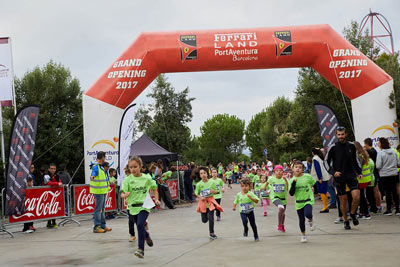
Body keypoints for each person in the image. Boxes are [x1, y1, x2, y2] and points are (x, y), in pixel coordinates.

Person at [121, 156, 160, 258]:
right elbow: (122, 193)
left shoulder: (147, 177)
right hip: (132, 207)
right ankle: (146, 235)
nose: (133, 169)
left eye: (135, 167)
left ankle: (141, 250)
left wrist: (156, 199)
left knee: (139, 225)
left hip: (144, 206)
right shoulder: (128, 179)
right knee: (140, 226)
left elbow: (155, 188)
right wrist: (124, 195)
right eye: (131, 167)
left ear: (140, 166)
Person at [325, 126, 361, 230]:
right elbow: (325, 161)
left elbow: (356, 160)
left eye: (342, 134)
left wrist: (359, 172)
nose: (341, 136)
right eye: (339, 134)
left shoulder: (351, 146)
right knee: (343, 201)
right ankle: (345, 221)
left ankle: (353, 213)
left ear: (346, 134)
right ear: (336, 135)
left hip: (351, 175)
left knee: (357, 197)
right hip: (339, 177)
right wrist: (333, 172)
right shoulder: (333, 147)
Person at [289, 160, 318, 243]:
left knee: (308, 213)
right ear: (293, 169)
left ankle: (310, 218)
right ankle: (303, 235)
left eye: (300, 167)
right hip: (298, 202)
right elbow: (291, 193)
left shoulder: (307, 176)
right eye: (296, 167)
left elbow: (314, 183)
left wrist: (316, 192)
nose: (298, 169)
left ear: (303, 169)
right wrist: (294, 184)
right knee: (301, 220)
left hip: (308, 199)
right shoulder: (292, 180)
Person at [195, 166, 222, 240]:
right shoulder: (198, 184)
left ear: (207, 174)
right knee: (204, 220)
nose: (203, 174)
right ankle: (205, 216)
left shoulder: (212, 182)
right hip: (203, 203)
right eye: (201, 173)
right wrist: (201, 197)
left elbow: (217, 191)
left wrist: (213, 191)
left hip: (210, 201)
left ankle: (212, 233)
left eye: (204, 173)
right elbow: (196, 193)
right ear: (200, 175)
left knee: (211, 218)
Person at [376, 137, 400, 215]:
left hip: (384, 175)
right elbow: (398, 163)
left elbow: (378, 165)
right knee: (394, 192)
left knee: (387, 192)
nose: (378, 144)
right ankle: (397, 209)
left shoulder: (381, 153)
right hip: (394, 174)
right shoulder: (394, 152)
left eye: (379, 143)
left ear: (381, 144)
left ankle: (389, 209)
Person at [90, 151, 112, 233]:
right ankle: (97, 226)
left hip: (103, 191)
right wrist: (93, 176)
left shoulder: (102, 167)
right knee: (98, 209)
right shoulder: (96, 167)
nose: (105, 158)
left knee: (102, 209)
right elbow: (94, 173)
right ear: (102, 157)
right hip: (98, 191)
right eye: (104, 157)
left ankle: (103, 225)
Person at [264, 165, 288, 232]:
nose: (279, 172)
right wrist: (265, 189)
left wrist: (286, 181)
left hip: (283, 198)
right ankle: (279, 225)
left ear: (283, 172)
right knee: (281, 208)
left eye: (280, 171)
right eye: (277, 171)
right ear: (274, 172)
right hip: (275, 197)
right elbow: (266, 184)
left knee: (283, 213)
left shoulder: (284, 179)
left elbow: (288, 188)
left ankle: (282, 225)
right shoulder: (272, 179)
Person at [354, 141, 373, 219]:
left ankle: (366, 213)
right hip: (365, 178)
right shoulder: (364, 154)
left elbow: (358, 168)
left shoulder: (359, 156)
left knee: (361, 197)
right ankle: (362, 212)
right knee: (362, 196)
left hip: (361, 179)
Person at [364, 138, 382, 212]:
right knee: (376, 190)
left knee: (373, 191)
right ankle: (378, 205)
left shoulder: (369, 151)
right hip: (375, 172)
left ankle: (376, 206)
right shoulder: (374, 150)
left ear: (366, 144)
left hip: (371, 172)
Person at [310, 148, 330, 213]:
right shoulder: (320, 157)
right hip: (325, 176)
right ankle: (325, 206)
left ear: (313, 152)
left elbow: (317, 168)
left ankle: (325, 207)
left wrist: (319, 178)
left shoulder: (315, 158)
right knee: (324, 191)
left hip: (321, 178)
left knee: (322, 192)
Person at [43, 163, 63, 228]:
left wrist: (58, 183)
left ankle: (54, 222)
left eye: (54, 169)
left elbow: (60, 182)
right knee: (48, 208)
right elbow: (49, 183)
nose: (53, 170)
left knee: (53, 208)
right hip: (46, 194)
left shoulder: (56, 175)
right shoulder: (46, 175)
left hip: (54, 195)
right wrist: (57, 184)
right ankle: (49, 223)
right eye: (51, 169)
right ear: (49, 169)